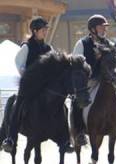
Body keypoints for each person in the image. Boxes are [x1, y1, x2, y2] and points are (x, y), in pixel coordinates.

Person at [2, 16, 74, 152]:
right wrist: (28, 77)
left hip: (45, 86)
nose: (45, 32)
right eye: (43, 30)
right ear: (35, 31)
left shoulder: (48, 47)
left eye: (46, 30)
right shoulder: (26, 47)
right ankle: (10, 138)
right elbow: (19, 64)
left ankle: (65, 140)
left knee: (62, 107)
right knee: (19, 105)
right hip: (29, 85)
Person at [72, 14, 116, 146]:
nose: (104, 30)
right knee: (76, 101)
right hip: (90, 81)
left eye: (105, 27)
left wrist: (115, 72)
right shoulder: (82, 44)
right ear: (92, 29)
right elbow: (76, 64)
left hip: (108, 80)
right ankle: (80, 131)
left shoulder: (110, 44)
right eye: (101, 27)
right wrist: (91, 66)